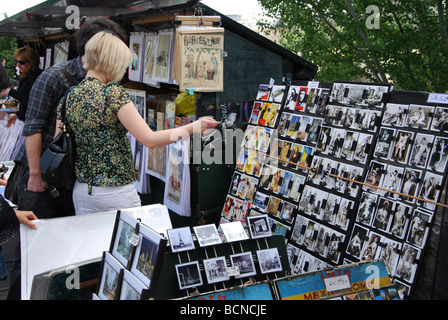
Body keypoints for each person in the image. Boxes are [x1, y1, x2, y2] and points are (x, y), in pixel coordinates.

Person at [8, 18, 129, 301]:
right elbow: (33, 126)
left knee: (66, 253)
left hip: (74, 183)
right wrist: (35, 175)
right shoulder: (54, 77)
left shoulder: (105, 84)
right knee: (31, 251)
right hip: (44, 180)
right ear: (93, 47)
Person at [58, 31, 220, 215]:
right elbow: (149, 139)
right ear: (112, 61)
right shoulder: (111, 93)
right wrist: (194, 127)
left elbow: (60, 138)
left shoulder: (70, 95)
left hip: (82, 190)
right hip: (115, 192)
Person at [1, 47, 42, 126]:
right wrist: (18, 115)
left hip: (33, 123)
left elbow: (31, 100)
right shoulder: (28, 75)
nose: (18, 65)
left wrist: (10, 91)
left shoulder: (34, 76)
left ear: (31, 63)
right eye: (16, 61)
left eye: (22, 62)